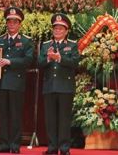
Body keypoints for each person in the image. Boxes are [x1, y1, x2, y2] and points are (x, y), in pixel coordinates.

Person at [0, 7, 34, 154]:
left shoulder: (26, 41)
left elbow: (29, 60)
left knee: (15, 114)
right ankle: (3, 144)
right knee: (3, 114)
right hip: (1, 82)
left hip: (16, 82)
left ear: (20, 24)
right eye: (9, 21)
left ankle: (15, 145)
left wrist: (10, 62)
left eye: (15, 22)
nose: (11, 24)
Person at [38, 13, 79, 155]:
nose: (57, 31)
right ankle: (52, 147)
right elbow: (39, 63)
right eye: (55, 29)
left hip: (65, 87)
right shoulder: (45, 45)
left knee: (64, 119)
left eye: (61, 29)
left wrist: (60, 58)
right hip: (49, 86)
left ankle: (64, 148)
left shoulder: (72, 45)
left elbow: (75, 63)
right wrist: (48, 59)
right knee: (50, 119)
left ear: (66, 31)